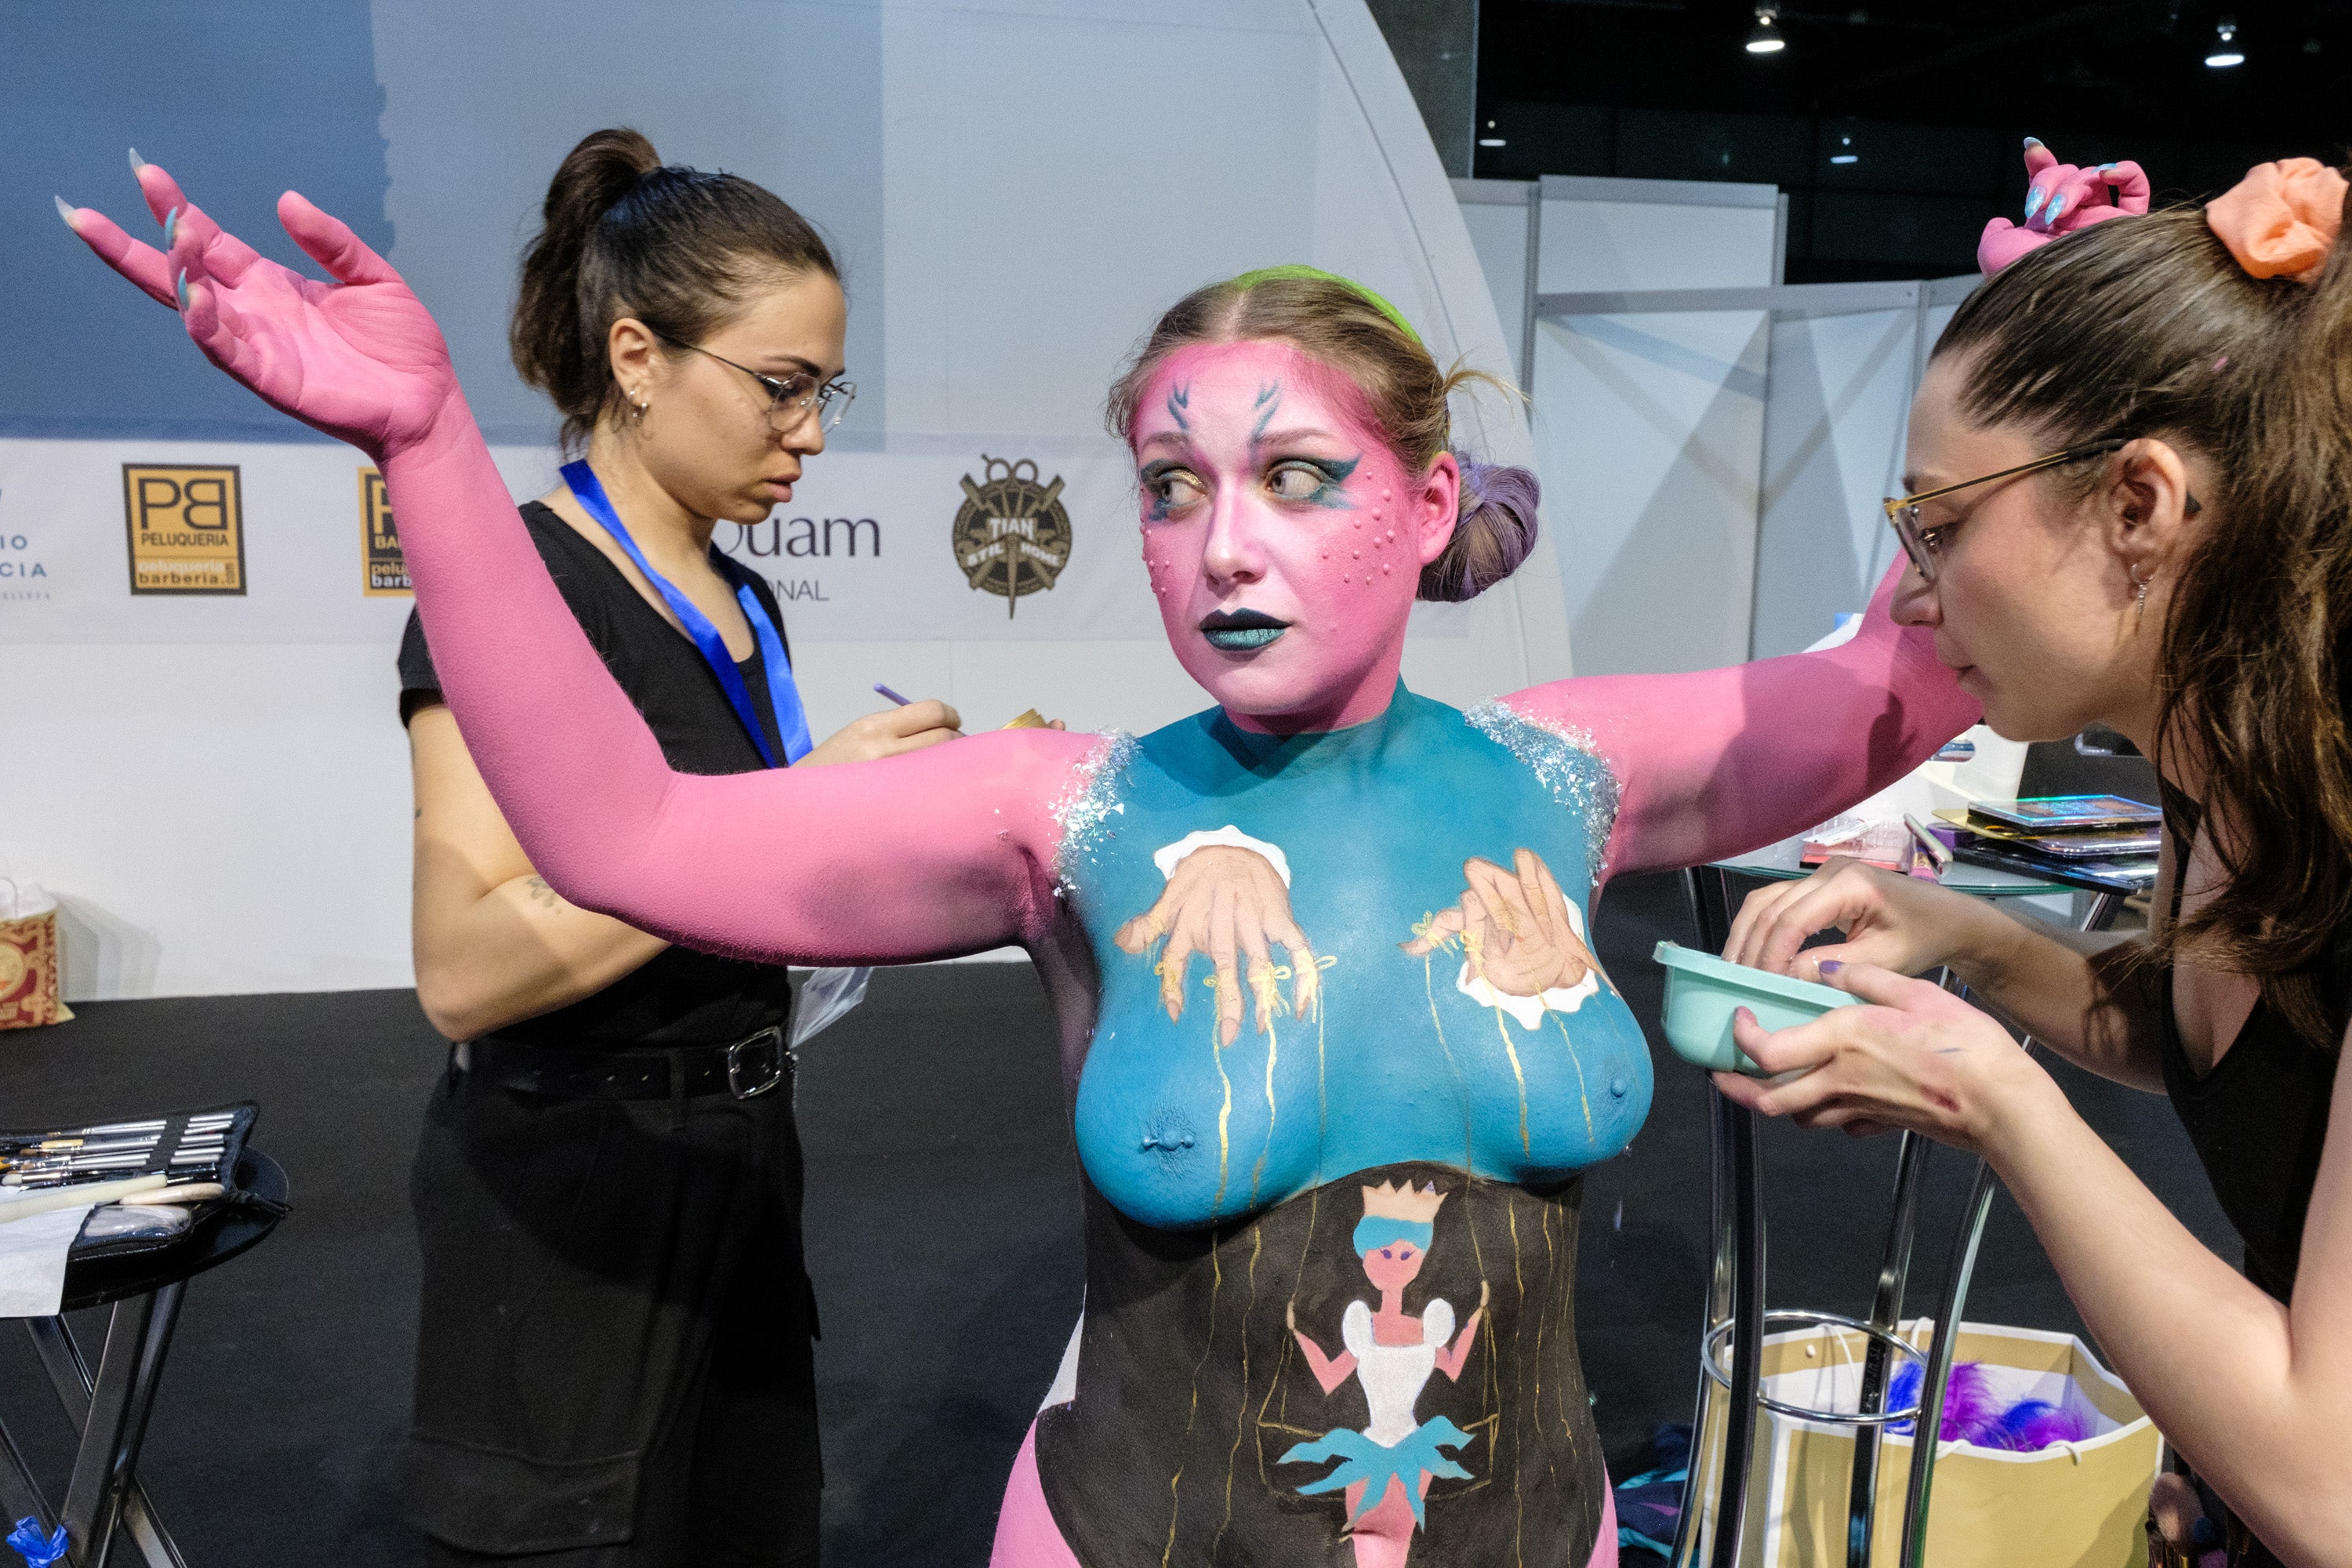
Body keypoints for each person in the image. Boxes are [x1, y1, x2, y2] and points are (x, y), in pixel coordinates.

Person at [69, 169, 1980, 1566]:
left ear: (1417, 508)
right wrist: (424, 446)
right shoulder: (1065, 811)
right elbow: (620, 833)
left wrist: (2031, 316)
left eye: (1293, 478)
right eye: (1172, 488)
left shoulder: (1568, 775)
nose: (1222, 545)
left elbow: (1896, 688)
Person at [86, 132, 962, 1566]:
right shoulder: (517, 600)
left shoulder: (748, 604)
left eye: (826, 391)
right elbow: (469, 967)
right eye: (782, 387)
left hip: (746, 1164)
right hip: (575, 1192)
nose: (812, 433)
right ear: (636, 357)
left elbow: (740, 889)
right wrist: (798, 809)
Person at [1715, 149, 2352, 1567]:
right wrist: (1959, 933)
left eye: (1938, 527)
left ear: (2141, 506)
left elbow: (2332, 1483)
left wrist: (1990, 1092)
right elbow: (2222, 1052)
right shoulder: (2229, 778)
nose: (1920, 596)